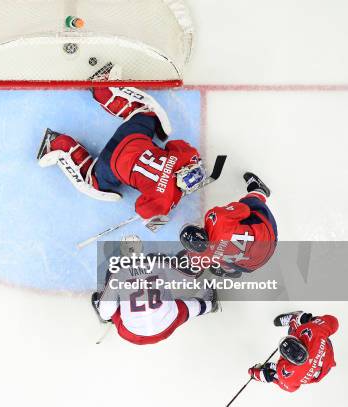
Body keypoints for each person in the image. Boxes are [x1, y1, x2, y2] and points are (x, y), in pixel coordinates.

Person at [37, 71, 207, 221]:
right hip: (112, 165)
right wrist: (172, 199)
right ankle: (57, 144)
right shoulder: (165, 198)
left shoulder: (185, 157)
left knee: (145, 112)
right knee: (93, 182)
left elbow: (173, 144)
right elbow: (142, 209)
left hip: (131, 137)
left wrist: (188, 163)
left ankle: (104, 89)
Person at [91, 235, 219, 345]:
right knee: (184, 307)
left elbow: (106, 310)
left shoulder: (116, 272)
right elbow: (186, 277)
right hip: (166, 326)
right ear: (141, 248)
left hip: (132, 334)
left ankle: (108, 315)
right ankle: (209, 305)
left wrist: (107, 312)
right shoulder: (156, 261)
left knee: (108, 304)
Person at [179, 172, 278, 277]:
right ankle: (259, 190)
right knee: (250, 204)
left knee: (222, 259)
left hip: (253, 265)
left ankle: (229, 270)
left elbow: (196, 262)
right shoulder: (214, 218)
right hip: (268, 237)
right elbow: (244, 210)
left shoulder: (201, 257)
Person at [249, 311, 339, 392]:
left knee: (293, 329)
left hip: (322, 368)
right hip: (327, 362)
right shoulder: (314, 331)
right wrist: (311, 321)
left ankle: (295, 319)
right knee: (285, 380)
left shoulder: (285, 373)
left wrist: (261, 375)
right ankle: (298, 318)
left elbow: (290, 387)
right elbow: (333, 322)